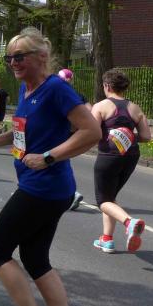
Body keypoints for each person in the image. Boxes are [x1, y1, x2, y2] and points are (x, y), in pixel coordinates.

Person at [0, 27, 100, 306]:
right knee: (35, 260)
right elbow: (24, 132)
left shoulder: (56, 89)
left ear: (42, 56)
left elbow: (92, 131)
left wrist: (48, 157)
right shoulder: (26, 88)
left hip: (43, 187)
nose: (13, 62)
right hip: (45, 187)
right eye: (9, 57)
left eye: (20, 56)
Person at [90, 69, 151, 253]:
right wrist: (127, 135)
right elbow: (146, 136)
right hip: (131, 156)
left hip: (109, 156)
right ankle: (107, 239)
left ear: (107, 86)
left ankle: (129, 222)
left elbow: (92, 133)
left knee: (103, 200)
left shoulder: (101, 106)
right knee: (110, 196)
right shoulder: (135, 108)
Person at [58, 69, 91, 210]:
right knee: (60, 161)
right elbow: (90, 110)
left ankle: (73, 194)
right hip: (73, 134)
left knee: (54, 162)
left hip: (59, 132)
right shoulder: (78, 95)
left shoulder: (58, 93)